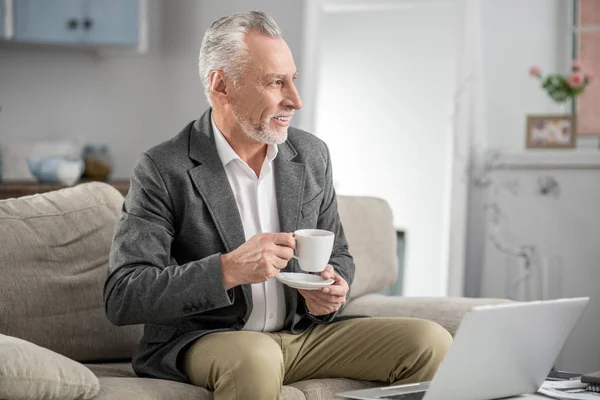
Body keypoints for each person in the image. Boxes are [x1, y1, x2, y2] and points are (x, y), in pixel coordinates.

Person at [104, 11, 452, 400]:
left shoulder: (310, 155)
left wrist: (331, 288)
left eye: (294, 80)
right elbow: (124, 294)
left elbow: (338, 253)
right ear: (222, 86)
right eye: (276, 82)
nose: (295, 100)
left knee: (430, 340)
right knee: (255, 358)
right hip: (208, 339)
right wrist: (228, 269)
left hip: (303, 336)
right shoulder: (165, 168)